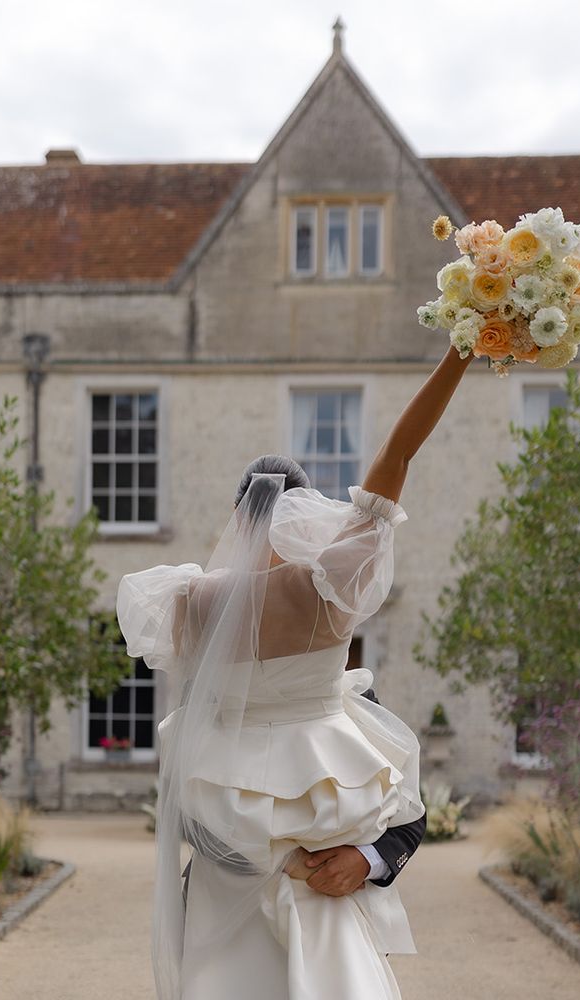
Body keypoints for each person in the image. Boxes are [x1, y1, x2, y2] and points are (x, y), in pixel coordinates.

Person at [117, 346, 474, 1000]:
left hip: (221, 910)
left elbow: (185, 783)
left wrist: (319, 859)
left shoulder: (187, 602)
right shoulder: (330, 594)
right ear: (307, 510)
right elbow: (397, 457)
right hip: (318, 909)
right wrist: (461, 349)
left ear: (238, 515)